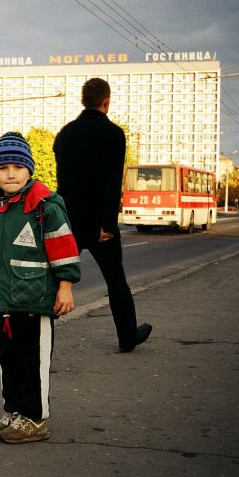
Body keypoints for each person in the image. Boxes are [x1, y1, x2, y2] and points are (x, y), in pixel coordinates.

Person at [0, 132, 81, 444]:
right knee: (9, 362)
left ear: (29, 169)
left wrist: (66, 286)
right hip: (2, 303)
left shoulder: (44, 205)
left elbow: (63, 247)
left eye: (18, 166)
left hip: (35, 301)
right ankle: (14, 410)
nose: (11, 173)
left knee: (33, 363)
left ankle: (36, 418)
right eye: (3, 168)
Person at [53, 77, 153, 353]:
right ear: (106, 101)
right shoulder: (113, 134)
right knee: (115, 280)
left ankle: (35, 338)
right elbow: (110, 181)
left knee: (54, 281)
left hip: (67, 221)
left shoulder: (65, 133)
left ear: (83, 100)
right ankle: (127, 336)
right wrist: (108, 222)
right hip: (99, 224)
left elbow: (63, 179)